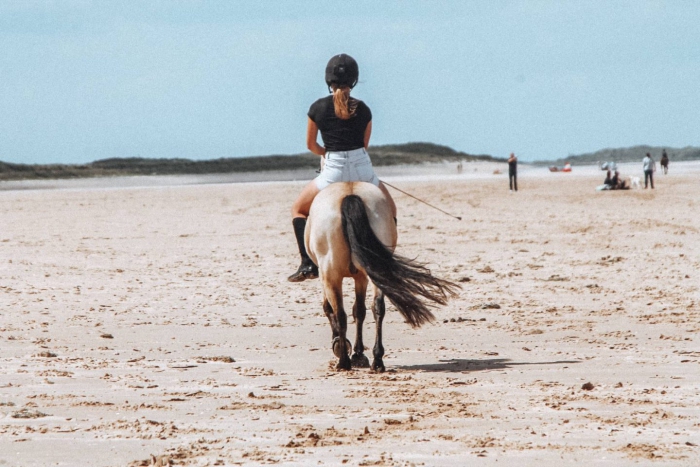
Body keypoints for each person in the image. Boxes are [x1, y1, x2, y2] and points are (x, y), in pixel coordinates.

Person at [288, 53, 397, 282]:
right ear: (354, 80)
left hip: (333, 170)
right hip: (362, 169)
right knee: (391, 210)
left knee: (298, 209)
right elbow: (364, 145)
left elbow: (311, 145)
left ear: (328, 81)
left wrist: (325, 153)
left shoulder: (317, 108)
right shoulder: (364, 109)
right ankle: (387, 262)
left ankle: (307, 263)